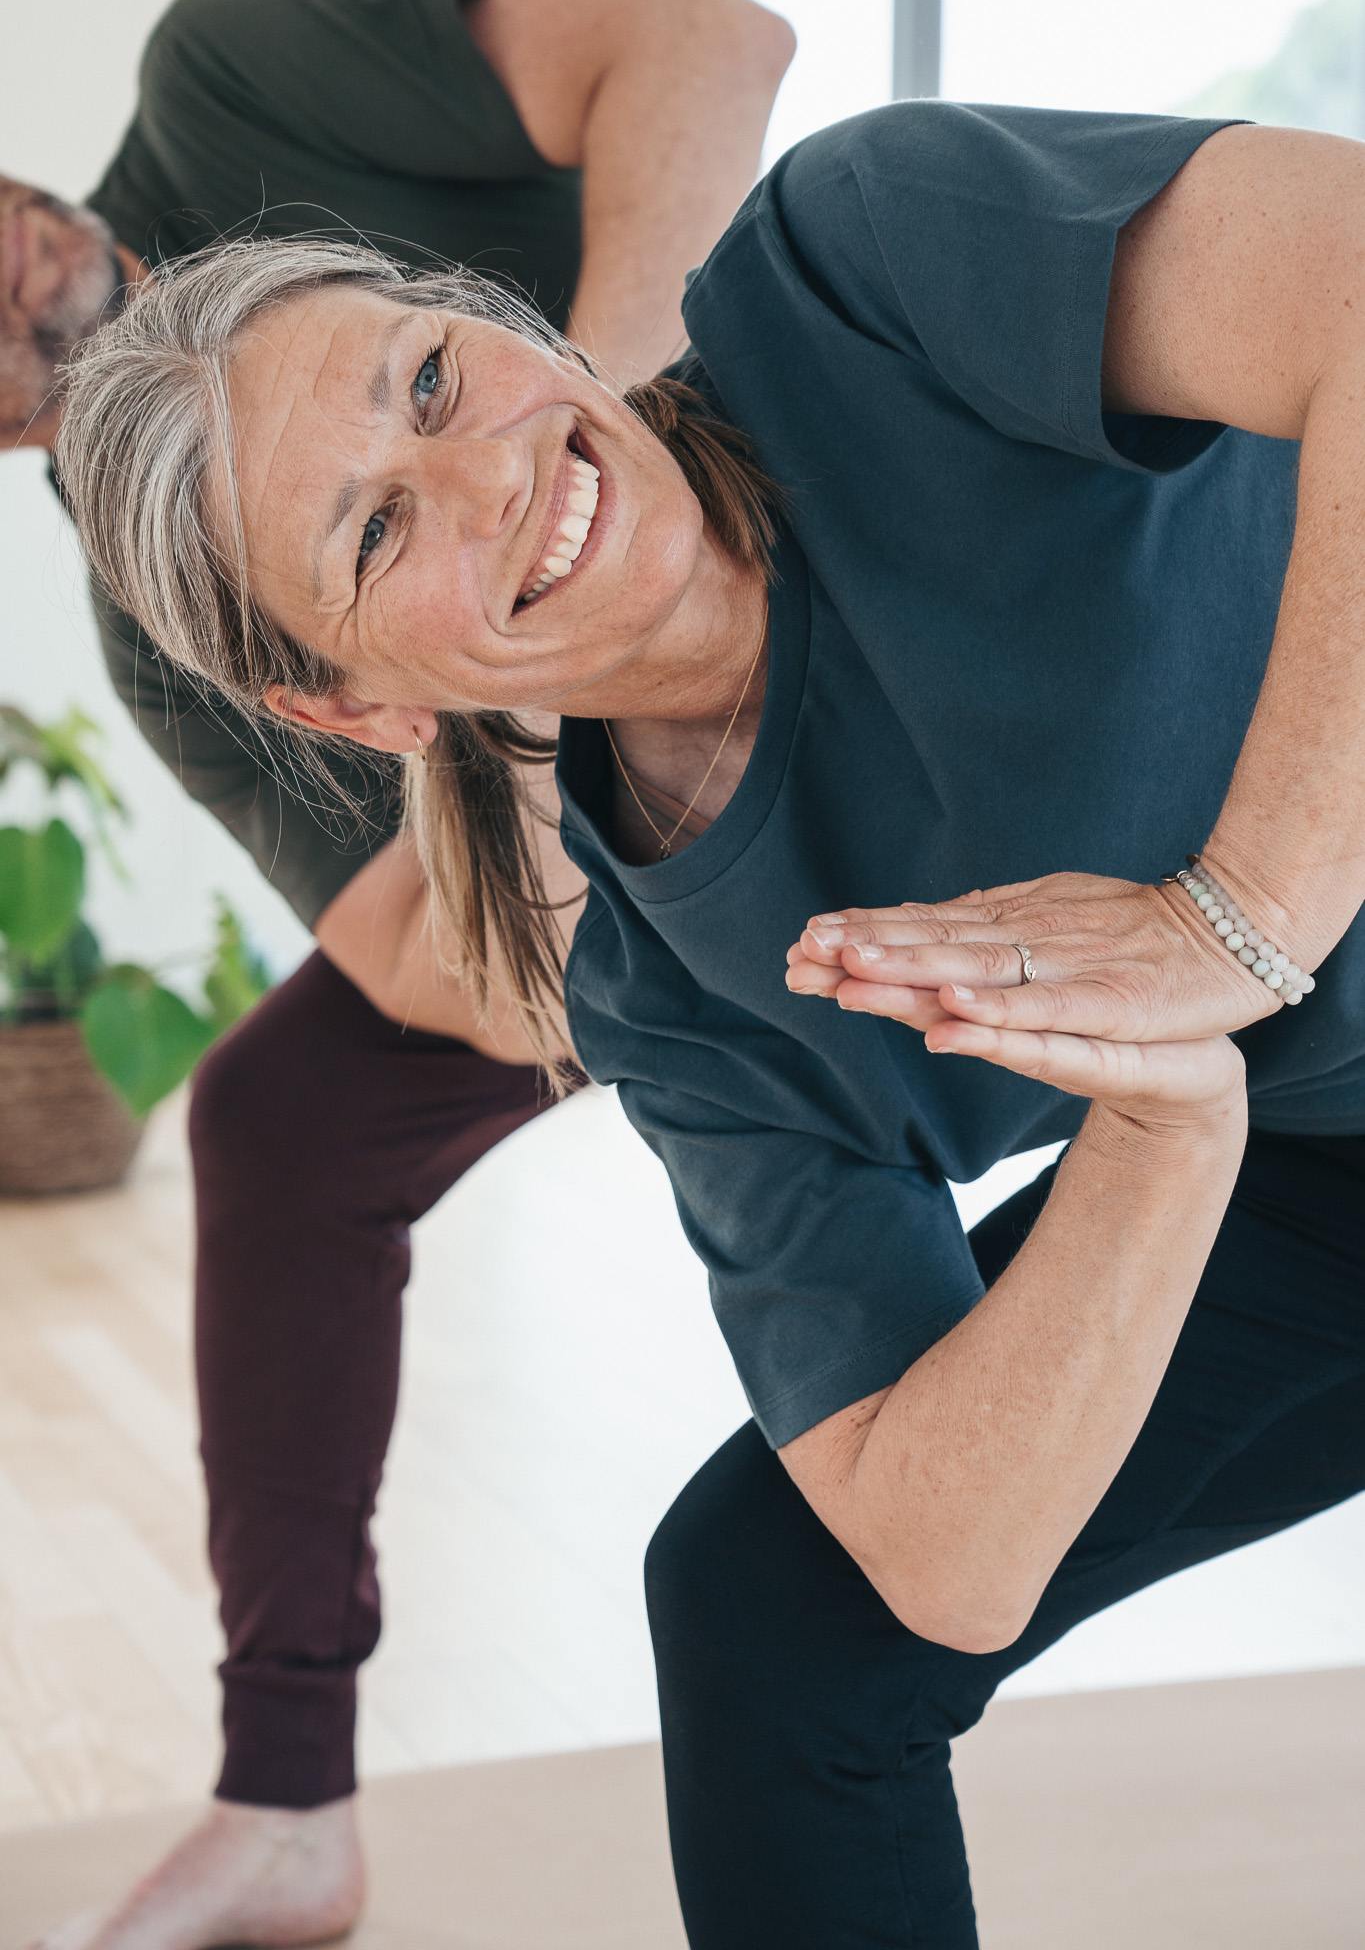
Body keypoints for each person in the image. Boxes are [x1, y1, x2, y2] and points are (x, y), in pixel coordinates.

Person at [56, 96, 1365, 1946]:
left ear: (490, 316)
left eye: (431, 383)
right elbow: (943, 1560)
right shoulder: (671, 991)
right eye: (374, 534)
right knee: (775, 1616)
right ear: (355, 708)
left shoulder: (861, 266)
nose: (491, 474)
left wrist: (1237, 920)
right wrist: (1162, 1123)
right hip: (1335, 1154)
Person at [4, 0, 793, 1948]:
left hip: (803, 537)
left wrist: (599, 486)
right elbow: (453, 959)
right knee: (281, 1122)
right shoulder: (162, 614)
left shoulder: (227, 80)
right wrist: (532, 698)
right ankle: (287, 1805)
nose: (3, 259)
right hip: (634, 816)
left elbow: (702, 36)